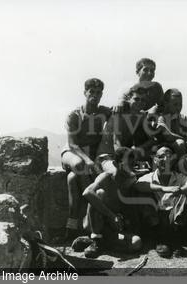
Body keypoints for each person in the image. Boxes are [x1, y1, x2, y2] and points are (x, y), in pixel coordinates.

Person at [60, 78, 111, 242]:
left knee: (72, 178)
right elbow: (73, 144)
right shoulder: (74, 115)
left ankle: (72, 227)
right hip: (71, 153)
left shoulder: (103, 112)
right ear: (85, 93)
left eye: (98, 93)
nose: (94, 96)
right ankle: (91, 210)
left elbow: (122, 112)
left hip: (88, 159)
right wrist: (89, 160)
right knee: (79, 165)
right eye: (91, 92)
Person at [74, 147, 142, 258]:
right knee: (99, 193)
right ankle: (96, 239)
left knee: (136, 243)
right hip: (94, 223)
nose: (129, 169)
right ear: (116, 164)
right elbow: (87, 193)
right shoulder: (106, 177)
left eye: (132, 165)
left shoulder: (131, 179)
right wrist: (112, 216)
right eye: (126, 165)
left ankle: (101, 243)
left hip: (111, 228)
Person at [135, 146, 187, 258]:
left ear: (173, 159)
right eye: (160, 157)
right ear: (155, 160)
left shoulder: (179, 177)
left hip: (171, 217)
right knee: (144, 194)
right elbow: (138, 186)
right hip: (156, 219)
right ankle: (160, 238)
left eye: (168, 156)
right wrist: (164, 189)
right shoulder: (149, 177)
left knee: (184, 193)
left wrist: (179, 191)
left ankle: (174, 234)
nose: (165, 159)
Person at [154, 88, 187, 157]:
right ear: (166, 103)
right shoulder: (161, 118)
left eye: (180, 104)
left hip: (181, 151)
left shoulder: (183, 118)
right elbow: (168, 136)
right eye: (175, 104)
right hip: (164, 151)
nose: (178, 107)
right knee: (180, 143)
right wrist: (184, 140)